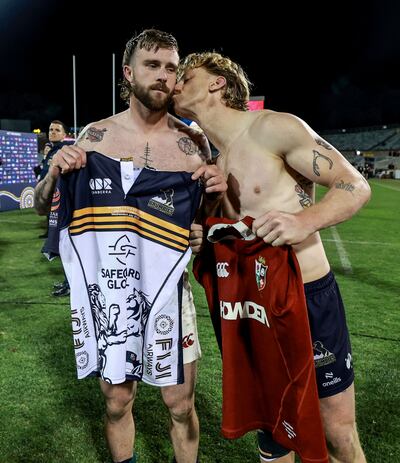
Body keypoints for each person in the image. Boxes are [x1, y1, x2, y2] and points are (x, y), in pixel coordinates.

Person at [33, 30, 226, 463]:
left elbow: (206, 221)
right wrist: (52, 176)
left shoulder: (193, 145)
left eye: (171, 67)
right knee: (117, 400)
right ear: (129, 72)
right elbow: (45, 208)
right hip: (110, 293)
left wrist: (206, 220)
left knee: (180, 404)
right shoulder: (95, 138)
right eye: (152, 65)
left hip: (170, 296)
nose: (163, 76)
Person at [173, 52, 371, 462]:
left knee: (336, 432)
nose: (174, 80)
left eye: (186, 73)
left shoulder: (274, 128)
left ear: (216, 82)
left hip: (305, 298)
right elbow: (224, 238)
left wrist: (305, 221)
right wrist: (202, 237)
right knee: (272, 429)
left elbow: (354, 184)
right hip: (247, 306)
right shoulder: (212, 163)